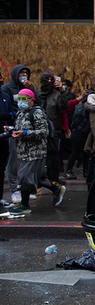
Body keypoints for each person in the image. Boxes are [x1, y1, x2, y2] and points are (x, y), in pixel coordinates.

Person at [8, 88, 65, 213]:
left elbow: (44, 131)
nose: (21, 101)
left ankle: (24, 205)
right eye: (19, 99)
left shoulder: (37, 113)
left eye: (24, 99)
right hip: (23, 151)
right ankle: (56, 189)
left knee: (24, 177)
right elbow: (19, 127)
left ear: (31, 100)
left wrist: (24, 133)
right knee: (38, 178)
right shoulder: (20, 113)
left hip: (35, 151)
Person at [2, 64, 36, 204]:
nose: (24, 75)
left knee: (26, 160)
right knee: (14, 159)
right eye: (21, 73)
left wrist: (31, 88)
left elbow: (37, 101)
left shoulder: (29, 88)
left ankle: (25, 189)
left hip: (28, 128)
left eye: (25, 73)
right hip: (14, 127)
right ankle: (14, 189)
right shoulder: (7, 89)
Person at [38, 70, 68, 187]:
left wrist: (62, 91)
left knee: (54, 156)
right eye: (46, 80)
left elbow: (64, 106)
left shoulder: (56, 95)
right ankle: (41, 177)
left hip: (53, 129)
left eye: (51, 80)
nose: (48, 82)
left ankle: (53, 178)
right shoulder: (39, 95)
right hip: (39, 129)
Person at [64, 89, 90, 179]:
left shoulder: (80, 106)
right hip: (80, 132)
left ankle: (75, 171)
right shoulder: (85, 108)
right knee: (78, 152)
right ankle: (70, 170)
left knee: (80, 152)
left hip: (79, 132)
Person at [0, 84, 13, 207]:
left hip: (3, 137)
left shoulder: (5, 96)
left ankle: (0, 198)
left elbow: (10, 113)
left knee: (1, 168)